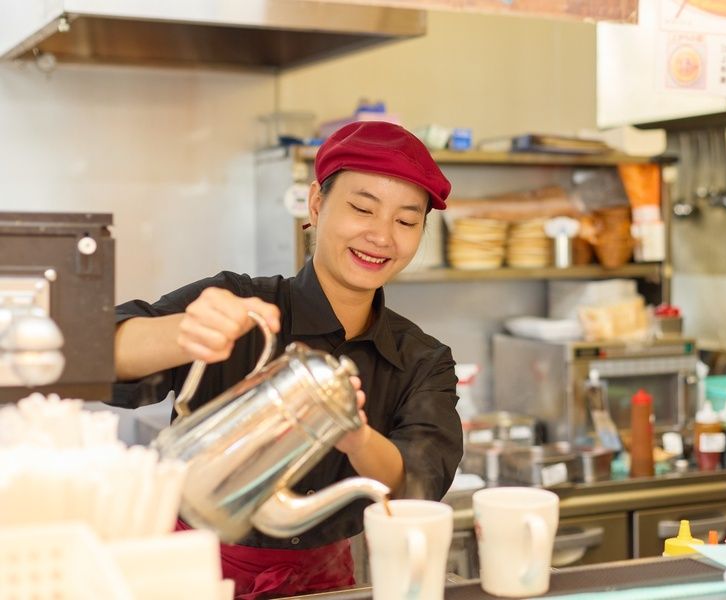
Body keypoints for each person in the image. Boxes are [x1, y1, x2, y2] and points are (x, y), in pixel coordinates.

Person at [111, 121, 463, 599]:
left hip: (323, 585)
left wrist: (358, 439)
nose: (381, 236)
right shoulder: (240, 302)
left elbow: (417, 483)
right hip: (189, 574)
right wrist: (183, 332)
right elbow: (99, 355)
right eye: (362, 208)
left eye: (405, 221)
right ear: (316, 203)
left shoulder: (422, 359)